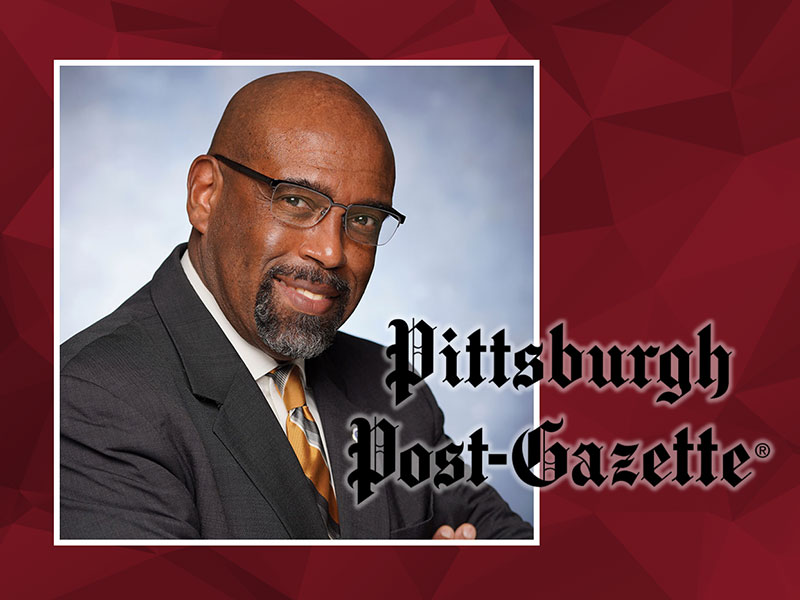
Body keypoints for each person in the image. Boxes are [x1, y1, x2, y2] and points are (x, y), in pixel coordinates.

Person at [60, 71, 533, 540]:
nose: (330, 252)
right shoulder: (94, 398)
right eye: (296, 201)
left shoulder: (388, 389)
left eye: (364, 219)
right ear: (205, 195)